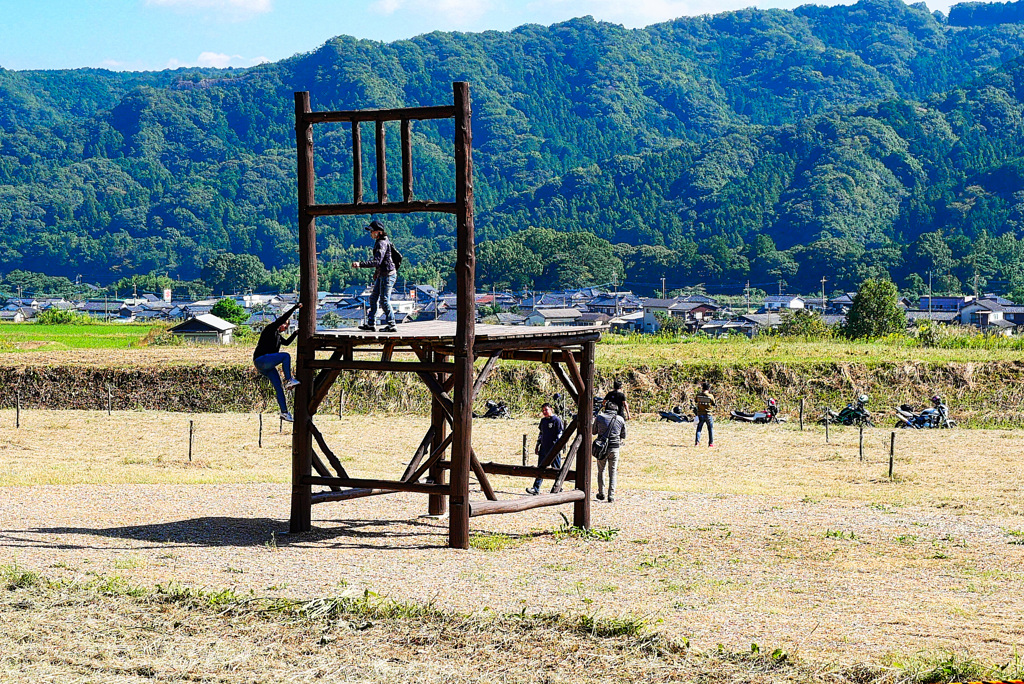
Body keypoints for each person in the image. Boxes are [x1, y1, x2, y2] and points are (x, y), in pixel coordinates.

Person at [253, 303, 302, 422]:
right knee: (285, 356)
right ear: (282, 323)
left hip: (267, 366)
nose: (285, 329)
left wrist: (295, 334)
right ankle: (289, 380)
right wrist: (295, 308)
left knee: (278, 387)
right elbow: (283, 317)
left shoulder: (279, 337)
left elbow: (286, 343)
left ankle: (284, 413)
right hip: (261, 360)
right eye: (285, 326)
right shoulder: (270, 329)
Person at [352, 219, 398, 333]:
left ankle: (392, 325)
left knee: (384, 300)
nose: (370, 233)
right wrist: (377, 273)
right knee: (374, 298)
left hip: (387, 275)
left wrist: (360, 264)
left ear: (379, 232)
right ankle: (371, 324)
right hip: (384, 274)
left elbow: (377, 261)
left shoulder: (381, 243)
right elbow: (382, 262)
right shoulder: (383, 240)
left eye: (372, 231)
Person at [527, 403, 564, 495]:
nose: (544, 412)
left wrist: (557, 447)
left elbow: (560, 434)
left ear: (551, 409)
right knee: (540, 468)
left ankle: (559, 487)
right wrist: (537, 445)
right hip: (543, 448)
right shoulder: (543, 421)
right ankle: (536, 488)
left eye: (546, 410)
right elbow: (541, 434)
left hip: (553, 449)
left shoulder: (557, 421)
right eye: (543, 410)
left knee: (556, 469)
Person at [593, 401, 626, 502]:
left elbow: (593, 431)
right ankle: (611, 495)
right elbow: (623, 435)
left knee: (601, 471)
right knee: (612, 472)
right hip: (615, 448)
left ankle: (601, 493)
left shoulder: (600, 417)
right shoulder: (620, 419)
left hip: (602, 448)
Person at [694, 381, 716, 447]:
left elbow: (695, 401)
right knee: (710, 429)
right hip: (708, 414)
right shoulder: (710, 396)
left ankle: (697, 443)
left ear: (702, 388)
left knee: (699, 428)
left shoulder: (698, 395)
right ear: (709, 389)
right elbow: (714, 403)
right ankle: (711, 443)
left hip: (700, 414)